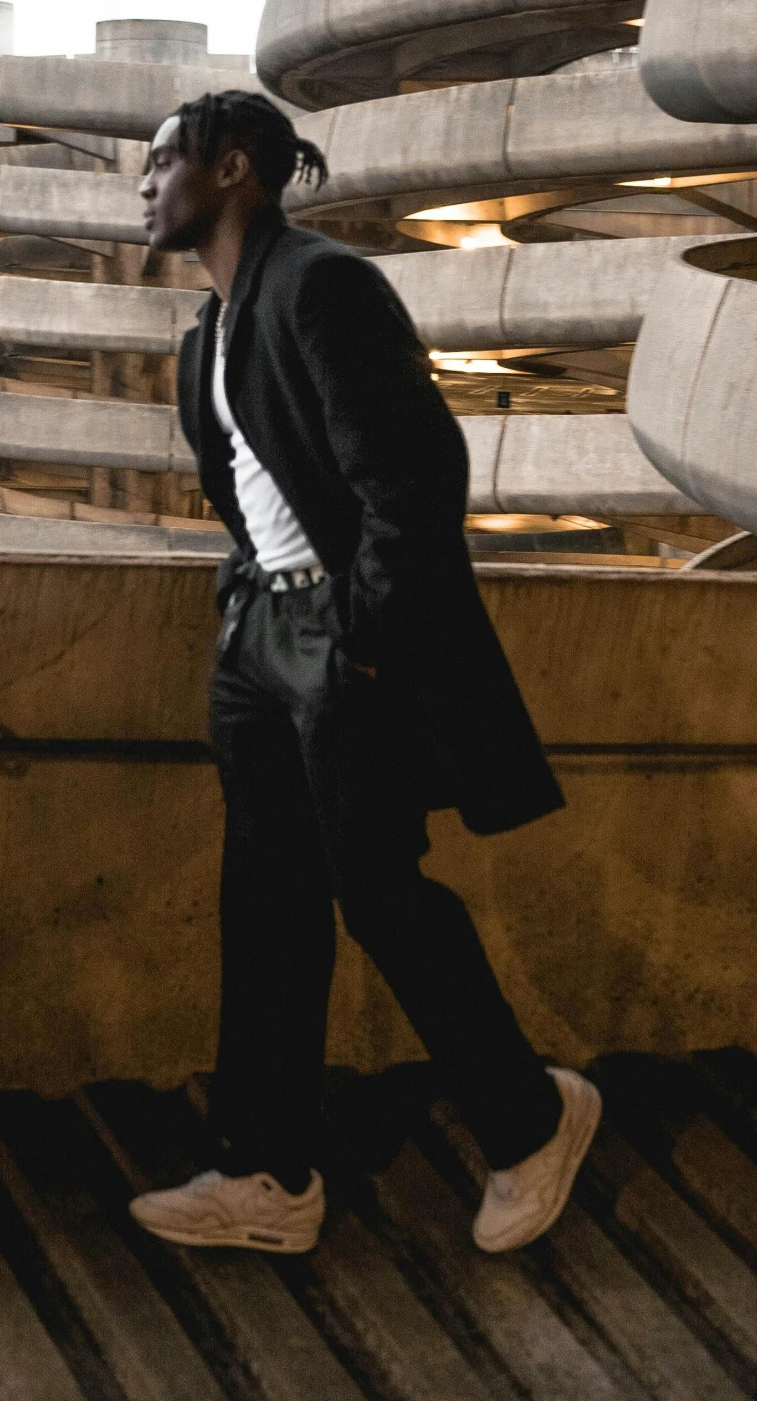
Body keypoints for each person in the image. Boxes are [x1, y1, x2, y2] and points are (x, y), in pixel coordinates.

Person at [130, 88, 600, 1255]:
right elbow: (250, 501)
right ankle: (268, 1176)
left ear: (231, 168)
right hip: (259, 647)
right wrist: (250, 626)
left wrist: (362, 644)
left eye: (158, 163)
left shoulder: (321, 286)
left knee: (382, 895)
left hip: (341, 645)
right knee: (268, 907)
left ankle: (533, 1121)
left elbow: (412, 484)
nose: (139, 184)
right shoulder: (211, 333)